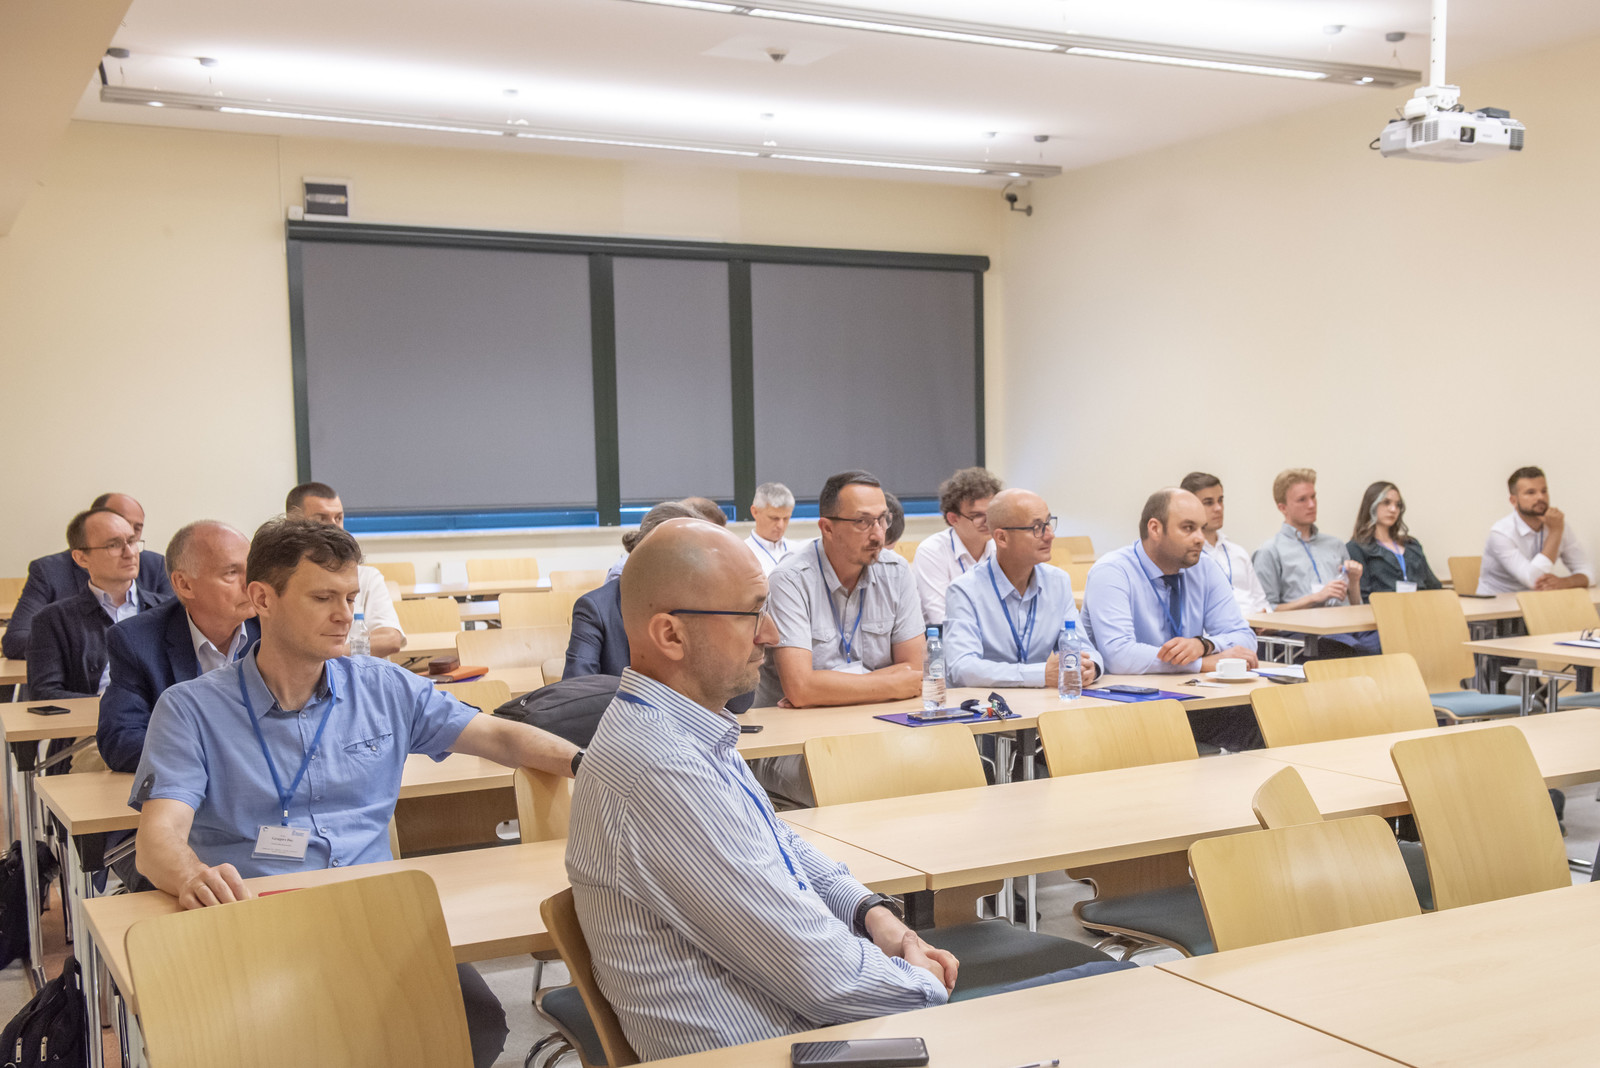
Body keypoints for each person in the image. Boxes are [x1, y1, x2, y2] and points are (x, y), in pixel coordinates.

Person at [566, 519, 1123, 1061]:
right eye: (751, 614)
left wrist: (871, 913)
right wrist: (923, 980)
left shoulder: (683, 729)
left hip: (810, 1028)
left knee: (1096, 991)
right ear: (671, 634)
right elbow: (827, 981)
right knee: (1103, 993)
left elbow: (782, 847)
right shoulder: (662, 771)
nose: (770, 634)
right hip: (791, 1047)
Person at [130, 518, 580, 1068]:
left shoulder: (383, 686)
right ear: (262, 599)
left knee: (474, 1027)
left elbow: (500, 737)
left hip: (375, 913)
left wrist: (589, 764)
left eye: (349, 596)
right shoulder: (190, 709)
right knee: (285, 1044)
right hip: (261, 920)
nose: (345, 614)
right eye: (323, 598)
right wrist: (191, 876)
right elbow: (158, 840)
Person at [756, 471, 924, 805]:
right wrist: (889, 683)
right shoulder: (790, 579)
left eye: (882, 519)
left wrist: (825, 688)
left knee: (937, 769)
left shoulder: (896, 572)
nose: (878, 533)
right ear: (827, 527)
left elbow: (914, 674)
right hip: (798, 744)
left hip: (876, 732)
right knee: (852, 780)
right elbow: (801, 688)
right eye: (863, 522)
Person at [1082, 489, 1261, 750]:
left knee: (1261, 724)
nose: (1200, 538)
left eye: (1202, 528)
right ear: (1155, 528)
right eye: (1188, 528)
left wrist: (1204, 644)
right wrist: (1202, 664)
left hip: (1190, 698)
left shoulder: (1204, 568)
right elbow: (1119, 655)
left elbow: (1246, 639)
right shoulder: (1112, 571)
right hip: (1126, 707)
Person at [100, 521, 260, 773]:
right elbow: (121, 741)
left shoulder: (274, 629)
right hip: (193, 785)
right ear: (184, 584)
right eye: (231, 573)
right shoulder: (137, 640)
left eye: (253, 570)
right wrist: (222, 757)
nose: (250, 585)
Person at [944, 489, 1101, 688]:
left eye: (1048, 523)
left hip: (1042, 699)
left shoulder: (1057, 581)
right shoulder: (965, 590)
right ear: (1002, 538)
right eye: (1037, 527)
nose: (1050, 535)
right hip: (986, 703)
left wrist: (1091, 668)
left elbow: (1084, 648)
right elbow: (962, 668)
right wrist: (1040, 674)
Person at [3, 492, 171, 659]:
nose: (127, 534)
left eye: (137, 529)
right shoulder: (49, 571)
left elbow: (175, 631)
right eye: (117, 523)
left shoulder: (156, 566)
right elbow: (16, 640)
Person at [27, 508, 170, 700]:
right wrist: (109, 706)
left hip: (160, 716)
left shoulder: (170, 611)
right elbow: (44, 693)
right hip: (90, 717)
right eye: (114, 545)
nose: (129, 553)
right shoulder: (52, 620)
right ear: (81, 558)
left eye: (132, 541)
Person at [565, 501, 697, 679]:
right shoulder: (596, 609)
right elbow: (578, 686)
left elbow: (730, 690)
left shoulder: (704, 605)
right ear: (646, 551)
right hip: (620, 697)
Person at [1252, 468, 1375, 656]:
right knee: (1355, 650)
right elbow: (1268, 613)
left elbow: (1355, 606)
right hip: (1303, 635)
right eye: (1302, 500)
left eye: (1313, 497)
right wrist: (1315, 598)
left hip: (1345, 627)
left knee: (1392, 641)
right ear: (1282, 508)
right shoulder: (1269, 551)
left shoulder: (1335, 545)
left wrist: (1354, 582)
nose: (1311, 505)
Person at [284, 482, 406, 656]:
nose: (333, 527)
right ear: (292, 523)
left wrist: (328, 654)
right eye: (321, 519)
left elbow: (390, 639)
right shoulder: (286, 578)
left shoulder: (366, 577)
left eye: (338, 518)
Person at [1478, 466, 1595, 594]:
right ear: (1513, 501)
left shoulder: (1558, 525)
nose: (1540, 497)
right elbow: (1533, 580)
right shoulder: (1501, 533)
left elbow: (1589, 573)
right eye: (1531, 492)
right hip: (1498, 602)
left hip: (1538, 601)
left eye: (1544, 491)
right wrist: (1555, 533)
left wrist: (1565, 582)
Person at [911, 467, 1002, 626]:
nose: (988, 522)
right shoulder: (931, 551)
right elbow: (942, 618)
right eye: (977, 516)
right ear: (953, 519)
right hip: (945, 637)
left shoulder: (1001, 547)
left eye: (992, 513)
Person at [1179, 472, 1270, 615]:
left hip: (1257, 626)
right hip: (1220, 628)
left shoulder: (1237, 552)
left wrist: (1265, 619)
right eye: (1208, 503)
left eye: (1220, 500)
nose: (1218, 508)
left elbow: (1261, 602)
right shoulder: (1186, 557)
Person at [1346, 482, 1443, 597]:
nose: (1393, 509)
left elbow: (1434, 586)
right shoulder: (1356, 547)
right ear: (1371, 505)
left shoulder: (1412, 545)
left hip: (1421, 605)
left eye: (1398, 505)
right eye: (1386, 503)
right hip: (1383, 607)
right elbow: (1363, 597)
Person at [746, 482, 796, 575]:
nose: (780, 525)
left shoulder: (798, 550)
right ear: (755, 512)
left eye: (786, 518)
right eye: (774, 518)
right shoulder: (742, 553)